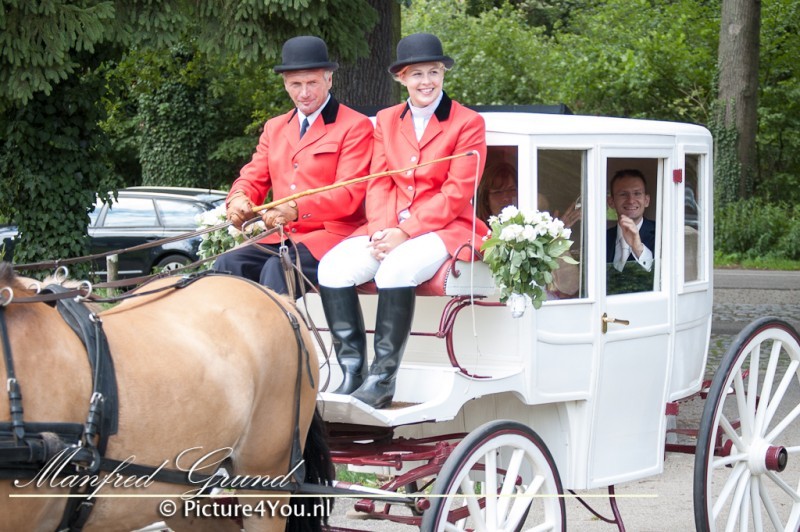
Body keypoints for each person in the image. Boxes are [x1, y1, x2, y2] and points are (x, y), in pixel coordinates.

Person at [316, 33, 487, 408]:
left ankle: (382, 379)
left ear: (443, 74)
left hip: (444, 227)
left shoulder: (467, 123)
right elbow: (377, 180)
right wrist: (381, 229)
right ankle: (352, 372)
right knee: (332, 269)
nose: (427, 82)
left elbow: (457, 192)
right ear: (401, 78)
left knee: (393, 270)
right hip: (387, 224)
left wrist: (404, 232)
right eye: (417, 74)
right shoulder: (387, 120)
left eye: (434, 72)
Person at [216, 36, 373, 295]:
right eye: (295, 84)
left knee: (278, 268)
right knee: (226, 264)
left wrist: (297, 208)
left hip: (333, 236)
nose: (304, 93)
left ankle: (280, 336)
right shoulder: (275, 127)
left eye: (312, 83)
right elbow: (254, 175)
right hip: (282, 235)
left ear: (329, 79)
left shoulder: (355, 125)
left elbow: (348, 195)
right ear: (285, 84)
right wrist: (238, 198)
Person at [475, 169, 581, 299]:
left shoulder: (535, 235)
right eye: (498, 192)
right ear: (486, 199)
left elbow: (570, 288)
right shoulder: (481, 236)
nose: (506, 197)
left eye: (512, 190)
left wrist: (554, 237)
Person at [606, 169, 655, 272]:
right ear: (611, 202)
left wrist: (637, 247)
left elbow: (663, 276)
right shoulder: (602, 238)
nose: (631, 200)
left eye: (637, 193)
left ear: (646, 200)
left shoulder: (663, 235)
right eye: (623, 194)